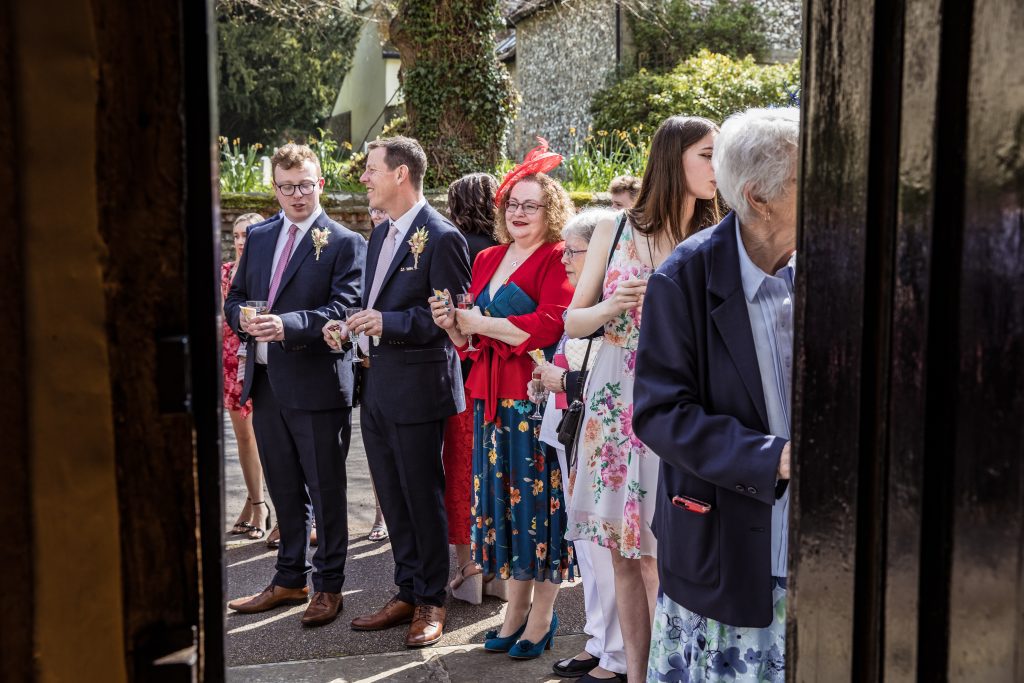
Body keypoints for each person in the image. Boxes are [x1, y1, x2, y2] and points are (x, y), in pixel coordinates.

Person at [633, 107, 799, 682]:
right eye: (812, 178)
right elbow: (659, 413)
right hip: (730, 549)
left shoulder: (833, 268)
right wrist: (769, 456)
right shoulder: (683, 279)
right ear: (760, 198)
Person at [564, 115, 721, 681]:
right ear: (674, 158)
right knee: (624, 557)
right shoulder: (614, 228)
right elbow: (573, 321)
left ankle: (672, 672)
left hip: (680, 402)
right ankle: (635, 674)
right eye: (708, 154)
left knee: (666, 556)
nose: (716, 165)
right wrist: (612, 307)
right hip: (614, 401)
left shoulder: (718, 233)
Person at [429, 140, 576, 660]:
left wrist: (481, 322)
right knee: (503, 511)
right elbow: (471, 343)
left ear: (551, 209)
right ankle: (512, 613)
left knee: (539, 509)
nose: (518, 212)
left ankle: (541, 618)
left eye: (530, 204)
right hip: (488, 402)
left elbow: (550, 325)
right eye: (512, 202)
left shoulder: (559, 255)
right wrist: (454, 328)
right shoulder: (488, 256)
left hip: (534, 401)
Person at [330, 136, 471, 648]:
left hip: (420, 388)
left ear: (400, 174)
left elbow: (449, 319)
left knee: (420, 493)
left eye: (371, 169)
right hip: (379, 385)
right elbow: (374, 303)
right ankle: (407, 589)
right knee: (392, 492)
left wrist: (384, 321)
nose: (364, 178)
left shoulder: (442, 236)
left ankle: (433, 599)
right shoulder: (379, 235)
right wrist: (353, 325)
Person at [224, 143, 366, 628]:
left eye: (306, 184)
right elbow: (237, 296)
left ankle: (328, 586)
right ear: (275, 189)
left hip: (318, 384)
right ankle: (288, 578)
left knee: (326, 491)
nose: (297, 195)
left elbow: (344, 309)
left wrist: (287, 325)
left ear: (320, 183)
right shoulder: (260, 236)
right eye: (287, 187)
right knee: (284, 487)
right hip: (266, 383)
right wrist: (241, 316)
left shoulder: (345, 241)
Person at [537, 208, 627, 682]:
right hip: (572, 429)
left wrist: (565, 379)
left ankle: (617, 654)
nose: (566, 260)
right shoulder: (585, 298)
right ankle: (599, 641)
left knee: (603, 549)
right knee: (587, 548)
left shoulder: (614, 297)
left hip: (598, 425)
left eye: (573, 251)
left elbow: (614, 370)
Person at [442, 173, 501, 604]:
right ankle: (499, 568)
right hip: (502, 376)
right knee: (499, 474)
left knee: (462, 473)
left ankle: (468, 565)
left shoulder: (451, 244)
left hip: (460, 372)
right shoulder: (505, 253)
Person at [222, 212, 269, 540]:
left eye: (247, 234)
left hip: (257, 359)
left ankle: (261, 506)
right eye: (237, 235)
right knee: (242, 436)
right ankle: (253, 503)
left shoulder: (266, 271)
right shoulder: (225, 271)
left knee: (260, 437)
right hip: (229, 360)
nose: (241, 241)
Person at [366, 205, 390, 543]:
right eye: (372, 210)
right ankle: (378, 512)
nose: (377, 215)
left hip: (402, 362)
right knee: (376, 451)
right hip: (368, 362)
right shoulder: (371, 243)